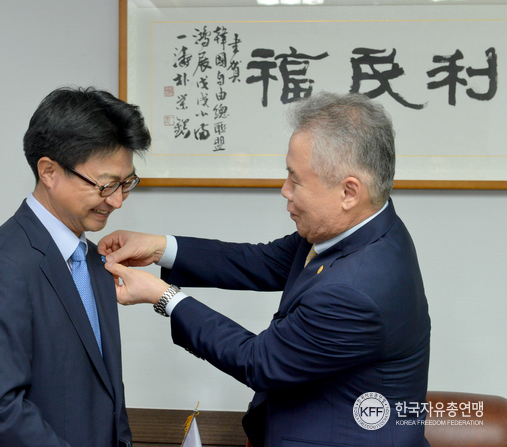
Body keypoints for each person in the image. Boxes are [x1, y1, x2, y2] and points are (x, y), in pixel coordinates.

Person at [100, 92, 431, 447]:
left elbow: (259, 361)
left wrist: (164, 297)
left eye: (295, 179)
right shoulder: (365, 225)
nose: (285, 190)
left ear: (349, 192)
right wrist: (159, 248)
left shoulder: (356, 290)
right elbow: (262, 261)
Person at [0, 86, 151, 447]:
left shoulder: (94, 261)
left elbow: (107, 394)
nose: (118, 201)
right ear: (49, 171)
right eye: (106, 186)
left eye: (126, 184)